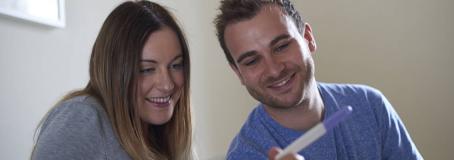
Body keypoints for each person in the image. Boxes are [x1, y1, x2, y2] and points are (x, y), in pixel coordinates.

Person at [214, 0, 423, 159]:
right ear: (238, 73)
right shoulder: (245, 154)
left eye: (281, 46)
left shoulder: (370, 106)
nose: (274, 70)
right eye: (252, 61)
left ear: (308, 38)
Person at [31, 1, 194, 159]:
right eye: (147, 69)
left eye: (176, 65)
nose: (167, 85)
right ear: (113, 71)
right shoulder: (83, 117)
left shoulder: (161, 134)